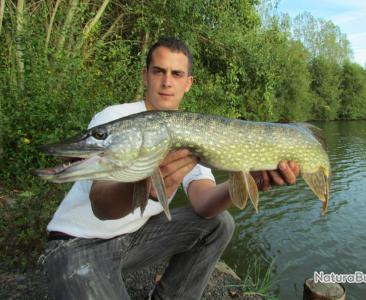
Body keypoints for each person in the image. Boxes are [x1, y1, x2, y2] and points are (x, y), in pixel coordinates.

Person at [40, 37, 300, 300]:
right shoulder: (115, 119)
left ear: (188, 83)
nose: (167, 82)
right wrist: (141, 189)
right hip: (75, 244)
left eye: (176, 74)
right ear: (145, 76)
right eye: (159, 71)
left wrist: (251, 179)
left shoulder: (193, 129)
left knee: (220, 223)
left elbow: (204, 203)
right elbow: (102, 205)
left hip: (133, 240)